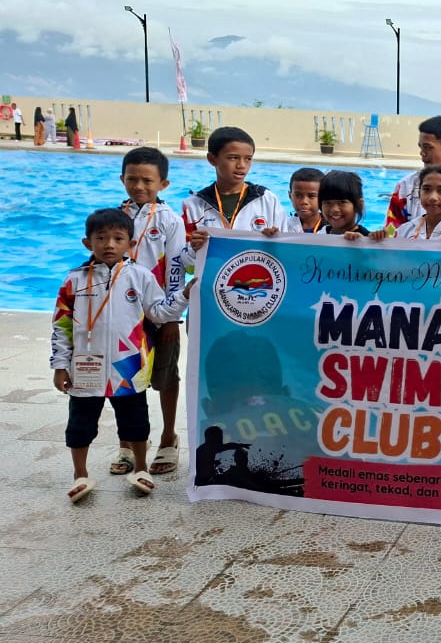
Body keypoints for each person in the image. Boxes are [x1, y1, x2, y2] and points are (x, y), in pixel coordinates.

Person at [52, 208, 193, 502]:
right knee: (79, 426)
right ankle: (80, 474)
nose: (109, 244)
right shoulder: (74, 280)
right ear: (87, 243)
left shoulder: (140, 277)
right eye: (101, 238)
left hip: (128, 368)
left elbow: (158, 313)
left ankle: (141, 469)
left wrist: (183, 296)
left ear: (131, 243)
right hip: (85, 369)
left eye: (118, 238)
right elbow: (62, 325)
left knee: (135, 423)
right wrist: (60, 365)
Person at [118, 147, 188, 477]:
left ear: (163, 183)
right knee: (124, 376)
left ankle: (168, 436)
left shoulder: (170, 220)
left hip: (161, 312)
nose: (139, 186)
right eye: (132, 179)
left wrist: (173, 317)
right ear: (122, 179)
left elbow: (176, 268)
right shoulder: (115, 216)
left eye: (148, 180)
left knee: (165, 376)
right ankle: (128, 442)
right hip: (123, 313)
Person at [182, 127, 287, 253]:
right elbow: (182, 259)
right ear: (212, 159)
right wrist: (193, 249)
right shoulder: (193, 205)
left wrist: (274, 242)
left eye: (248, 158)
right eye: (233, 158)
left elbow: (286, 249)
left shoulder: (267, 200)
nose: (241, 165)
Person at [318, 170, 371, 238]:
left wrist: (361, 242)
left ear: (359, 205)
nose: (334, 209)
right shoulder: (321, 232)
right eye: (327, 202)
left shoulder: (367, 238)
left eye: (342, 202)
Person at [282, 168, 324, 233]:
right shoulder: (282, 227)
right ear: (290, 196)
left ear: (323, 197)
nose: (304, 201)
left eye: (311, 196)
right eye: (298, 195)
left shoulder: (333, 228)